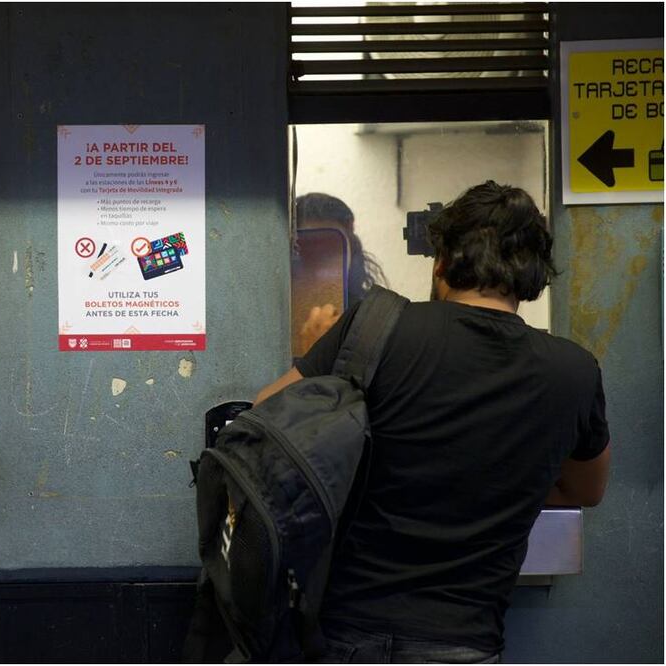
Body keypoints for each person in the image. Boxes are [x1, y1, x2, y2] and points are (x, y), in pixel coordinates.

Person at [257, 181, 610, 662]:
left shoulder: (375, 329)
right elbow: (583, 490)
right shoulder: (574, 371)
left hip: (343, 632)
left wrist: (331, 368)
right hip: (464, 638)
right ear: (534, 273)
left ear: (441, 261)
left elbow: (267, 420)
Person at [293, 193, 387, 354]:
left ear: (350, 247)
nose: (319, 267)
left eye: (329, 251)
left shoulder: (372, 317)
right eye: (306, 251)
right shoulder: (278, 314)